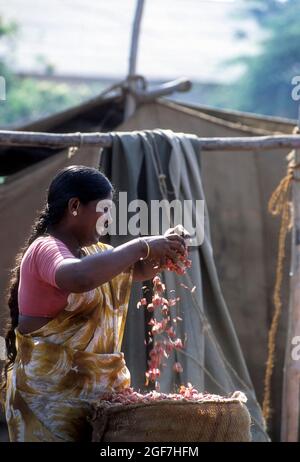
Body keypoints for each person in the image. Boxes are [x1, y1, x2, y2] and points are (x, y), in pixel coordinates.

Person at [0, 165, 187, 442]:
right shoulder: (45, 248)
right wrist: (141, 245)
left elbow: (140, 269)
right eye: (105, 211)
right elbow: (80, 277)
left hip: (91, 403)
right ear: (75, 206)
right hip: (48, 404)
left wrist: (168, 246)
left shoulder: (92, 254)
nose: (109, 220)